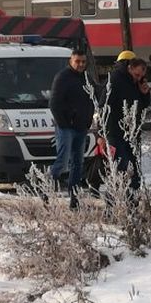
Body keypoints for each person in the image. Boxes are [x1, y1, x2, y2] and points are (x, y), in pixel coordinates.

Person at [49, 49, 95, 209]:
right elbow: (54, 103)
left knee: (78, 163)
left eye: (83, 61)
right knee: (62, 161)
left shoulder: (86, 78)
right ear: (71, 61)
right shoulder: (62, 78)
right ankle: (47, 188)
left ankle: (74, 197)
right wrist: (63, 122)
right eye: (78, 61)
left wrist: (89, 119)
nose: (81, 64)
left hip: (81, 126)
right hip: (66, 127)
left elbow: (94, 96)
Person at [106, 57, 151, 193]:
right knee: (121, 167)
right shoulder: (116, 80)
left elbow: (143, 106)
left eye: (141, 76)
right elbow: (105, 105)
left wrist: (145, 94)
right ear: (129, 68)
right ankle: (114, 202)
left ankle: (133, 201)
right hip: (116, 131)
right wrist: (103, 133)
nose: (138, 78)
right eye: (137, 75)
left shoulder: (135, 82)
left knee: (135, 168)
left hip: (133, 132)